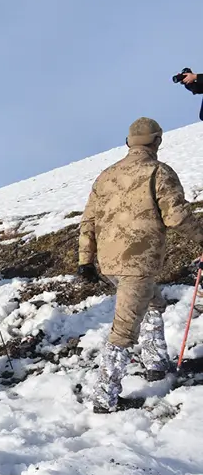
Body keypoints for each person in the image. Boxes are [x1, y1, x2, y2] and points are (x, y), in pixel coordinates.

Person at [78, 117, 203, 413]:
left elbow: (88, 221)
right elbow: (177, 218)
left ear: (128, 143)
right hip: (138, 264)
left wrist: (86, 260)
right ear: (157, 141)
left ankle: (156, 364)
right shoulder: (158, 171)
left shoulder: (105, 176)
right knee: (123, 329)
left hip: (110, 264)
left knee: (153, 303)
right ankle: (104, 398)